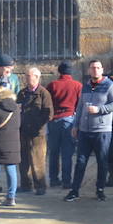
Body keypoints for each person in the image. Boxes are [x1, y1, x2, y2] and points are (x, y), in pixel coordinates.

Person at [66, 60, 113, 202]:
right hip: (84, 131)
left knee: (102, 161)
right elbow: (80, 108)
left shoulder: (110, 86)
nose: (95, 70)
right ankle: (74, 190)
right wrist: (75, 125)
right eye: (92, 68)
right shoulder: (85, 87)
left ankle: (100, 190)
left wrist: (100, 109)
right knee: (80, 161)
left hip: (102, 131)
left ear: (102, 69)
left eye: (98, 68)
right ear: (89, 71)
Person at [46, 61, 82, 190]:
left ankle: (54, 179)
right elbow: (80, 105)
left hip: (54, 120)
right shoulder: (78, 86)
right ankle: (67, 181)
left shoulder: (52, 85)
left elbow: (47, 102)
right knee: (67, 153)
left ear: (59, 71)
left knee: (53, 152)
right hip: (69, 120)